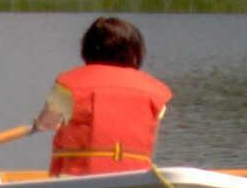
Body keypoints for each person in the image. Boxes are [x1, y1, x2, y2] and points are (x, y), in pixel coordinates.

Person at [32, 17, 173, 177]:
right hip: (135, 177)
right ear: (135, 52)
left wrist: (37, 125)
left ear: (87, 49)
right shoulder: (154, 92)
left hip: (75, 177)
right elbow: (151, 141)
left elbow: (45, 123)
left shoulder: (69, 85)